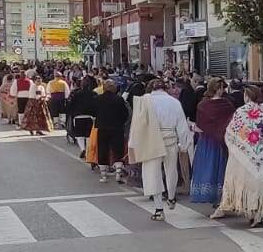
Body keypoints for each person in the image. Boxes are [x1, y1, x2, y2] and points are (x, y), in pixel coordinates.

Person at [213, 86, 263, 228]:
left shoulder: (240, 112)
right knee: (259, 183)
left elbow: (230, 133)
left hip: (245, 155)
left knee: (247, 183)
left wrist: (239, 148)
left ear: (247, 96)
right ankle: (257, 214)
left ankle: (252, 213)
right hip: (262, 154)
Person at [129, 78, 191, 221]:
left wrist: (133, 143)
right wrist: (184, 144)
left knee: (153, 174)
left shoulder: (145, 101)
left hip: (151, 140)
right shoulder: (174, 102)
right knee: (171, 171)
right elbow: (182, 126)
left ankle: (158, 209)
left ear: (150, 88)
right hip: (170, 140)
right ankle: (171, 197)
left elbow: (137, 124)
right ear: (166, 88)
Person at [191, 80, 234, 206]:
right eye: (221, 88)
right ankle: (221, 197)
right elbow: (231, 122)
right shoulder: (227, 104)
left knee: (208, 168)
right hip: (222, 140)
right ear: (218, 89)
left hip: (206, 140)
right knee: (221, 168)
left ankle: (210, 195)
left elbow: (200, 124)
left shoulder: (203, 105)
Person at [93, 78, 131, 184]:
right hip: (117, 128)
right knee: (118, 149)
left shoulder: (97, 99)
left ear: (104, 88)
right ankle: (118, 173)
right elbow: (125, 114)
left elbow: (94, 113)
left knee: (103, 150)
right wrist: (121, 123)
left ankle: (103, 175)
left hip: (102, 127)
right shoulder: (119, 99)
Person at [67, 76, 98, 153]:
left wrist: (72, 113)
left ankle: (82, 149)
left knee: (79, 134)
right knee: (88, 135)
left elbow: (70, 105)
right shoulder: (94, 94)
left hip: (78, 116)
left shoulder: (76, 94)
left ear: (81, 85)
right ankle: (87, 150)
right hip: (90, 116)